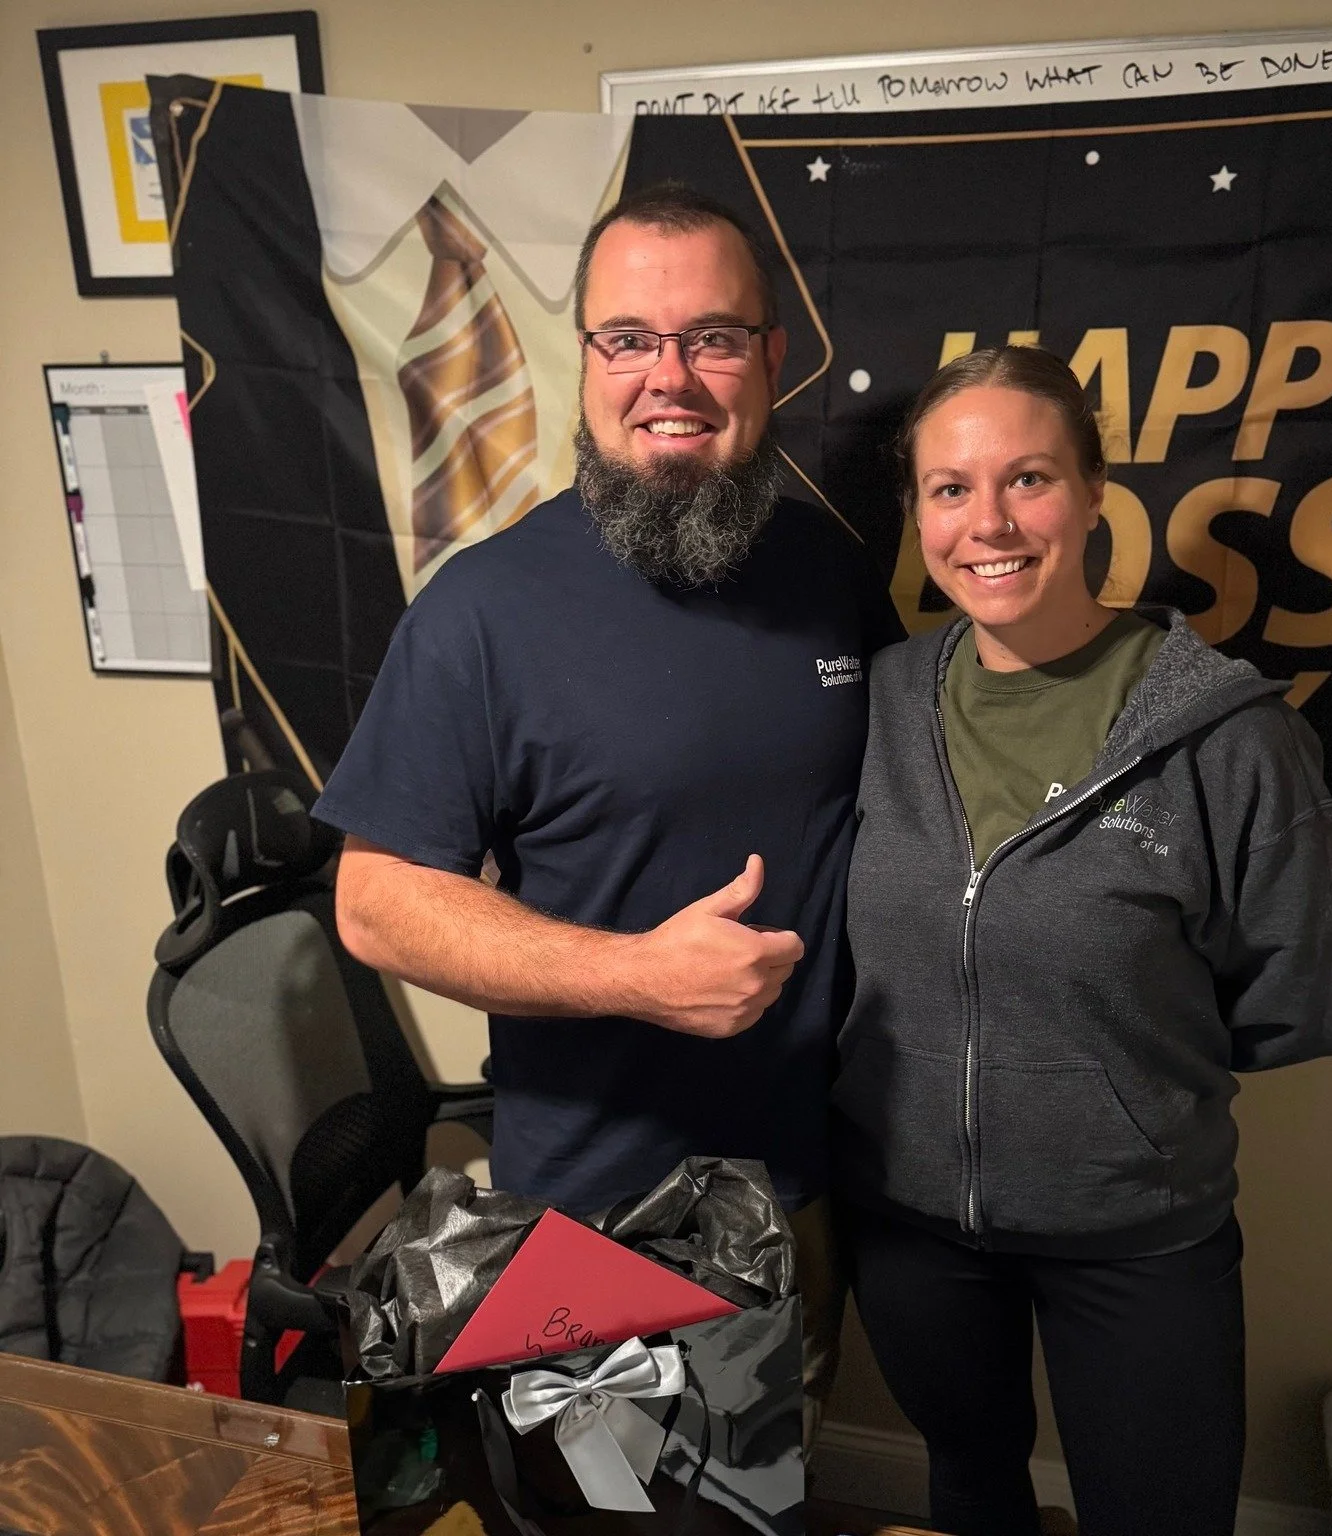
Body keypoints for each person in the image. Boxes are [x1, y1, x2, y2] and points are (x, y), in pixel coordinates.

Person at [313, 182, 904, 1434]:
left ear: (772, 358)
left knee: (763, 1499)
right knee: (615, 1511)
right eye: (629, 339)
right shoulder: (485, 613)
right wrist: (638, 974)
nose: (670, 376)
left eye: (713, 337)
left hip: (810, 1186)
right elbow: (375, 905)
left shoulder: (831, 573)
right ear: (583, 358)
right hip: (601, 1215)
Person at [833, 346, 1332, 1536]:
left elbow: (1303, 996)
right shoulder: (872, 705)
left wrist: (1118, 1084)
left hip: (1136, 1235)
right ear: (918, 511)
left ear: (1091, 494)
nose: (989, 523)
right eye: (949, 488)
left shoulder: (1223, 735)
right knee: (972, 1487)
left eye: (1027, 479)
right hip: (914, 1223)